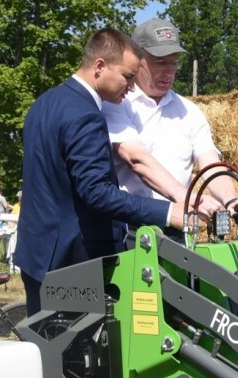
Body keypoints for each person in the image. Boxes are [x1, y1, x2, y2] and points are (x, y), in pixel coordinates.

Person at [16, 28, 187, 318]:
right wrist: (169, 213)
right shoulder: (86, 115)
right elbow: (96, 192)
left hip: (37, 257)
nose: (132, 87)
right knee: (78, 360)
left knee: (45, 354)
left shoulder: (43, 103)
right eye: (128, 76)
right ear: (99, 67)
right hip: (72, 265)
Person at [104, 18, 238, 217]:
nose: (169, 72)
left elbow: (209, 164)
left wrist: (231, 200)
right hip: (129, 224)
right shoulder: (117, 103)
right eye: (160, 63)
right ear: (137, 59)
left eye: (174, 63)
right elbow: (136, 159)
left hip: (178, 223)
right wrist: (189, 198)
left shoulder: (189, 111)